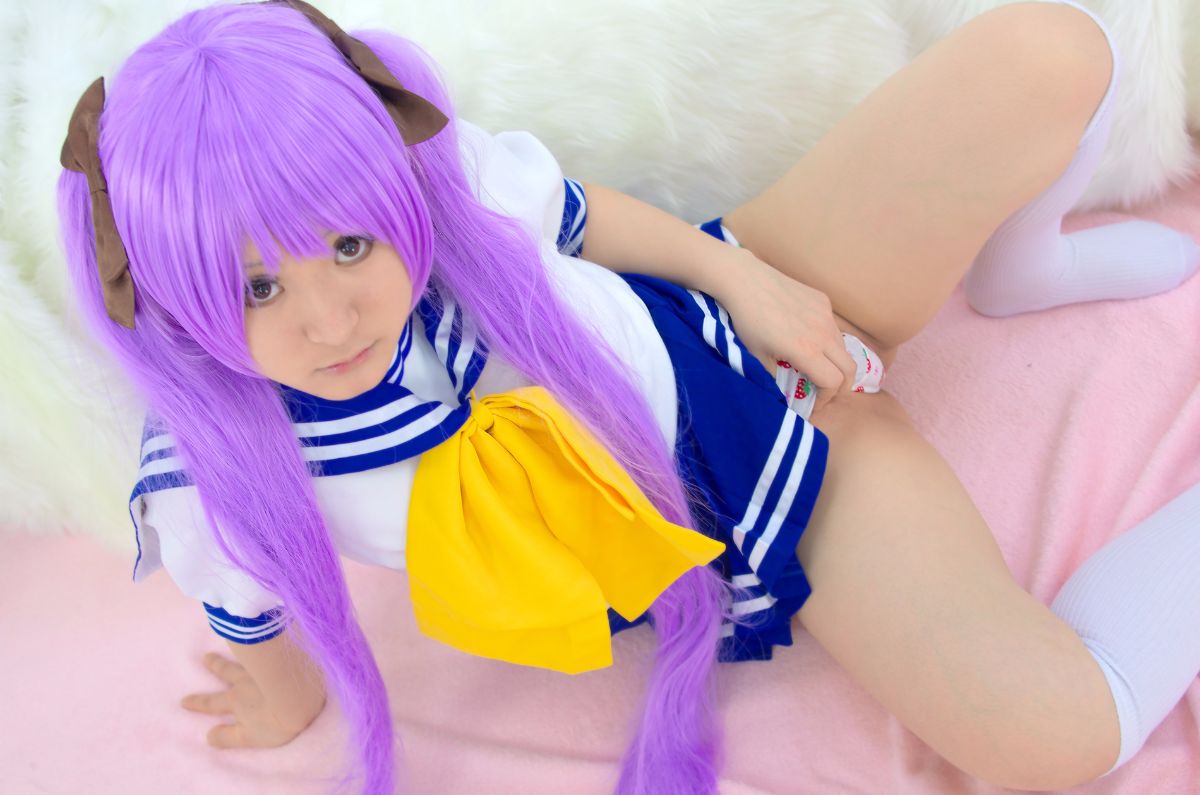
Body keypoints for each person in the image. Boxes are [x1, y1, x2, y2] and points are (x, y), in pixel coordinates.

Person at [54, 1, 1200, 793]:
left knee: (1053, 49)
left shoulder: (446, 192)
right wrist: (284, 700)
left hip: (745, 302)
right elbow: (254, 616)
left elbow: (585, 218)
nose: (329, 319)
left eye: (350, 244)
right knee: (1062, 735)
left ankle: (1021, 265)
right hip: (779, 503)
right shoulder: (213, 477)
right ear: (162, 289)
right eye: (257, 286)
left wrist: (753, 285)